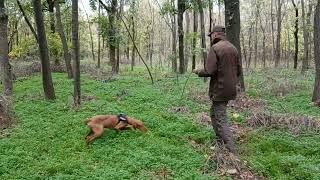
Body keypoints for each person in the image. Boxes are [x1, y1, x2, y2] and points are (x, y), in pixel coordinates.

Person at [193, 25, 241, 153]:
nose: (211, 37)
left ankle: (231, 150)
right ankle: (219, 141)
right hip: (230, 89)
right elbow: (238, 71)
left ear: (215, 34)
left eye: (211, 35)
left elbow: (210, 70)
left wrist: (198, 71)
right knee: (214, 114)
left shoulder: (215, 48)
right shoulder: (233, 48)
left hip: (220, 89)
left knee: (220, 118)